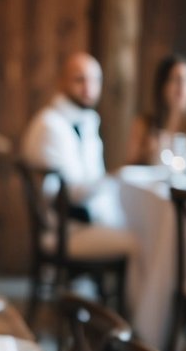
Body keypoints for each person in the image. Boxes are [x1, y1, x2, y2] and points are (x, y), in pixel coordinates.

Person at [20, 52, 126, 227]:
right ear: (61, 82)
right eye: (79, 79)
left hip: (87, 215)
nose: (88, 88)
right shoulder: (51, 125)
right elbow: (66, 195)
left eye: (95, 80)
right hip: (66, 225)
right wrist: (117, 176)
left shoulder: (87, 121)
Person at [126, 53, 186, 165]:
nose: (182, 86)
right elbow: (129, 167)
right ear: (163, 85)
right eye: (175, 79)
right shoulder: (144, 125)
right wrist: (147, 153)